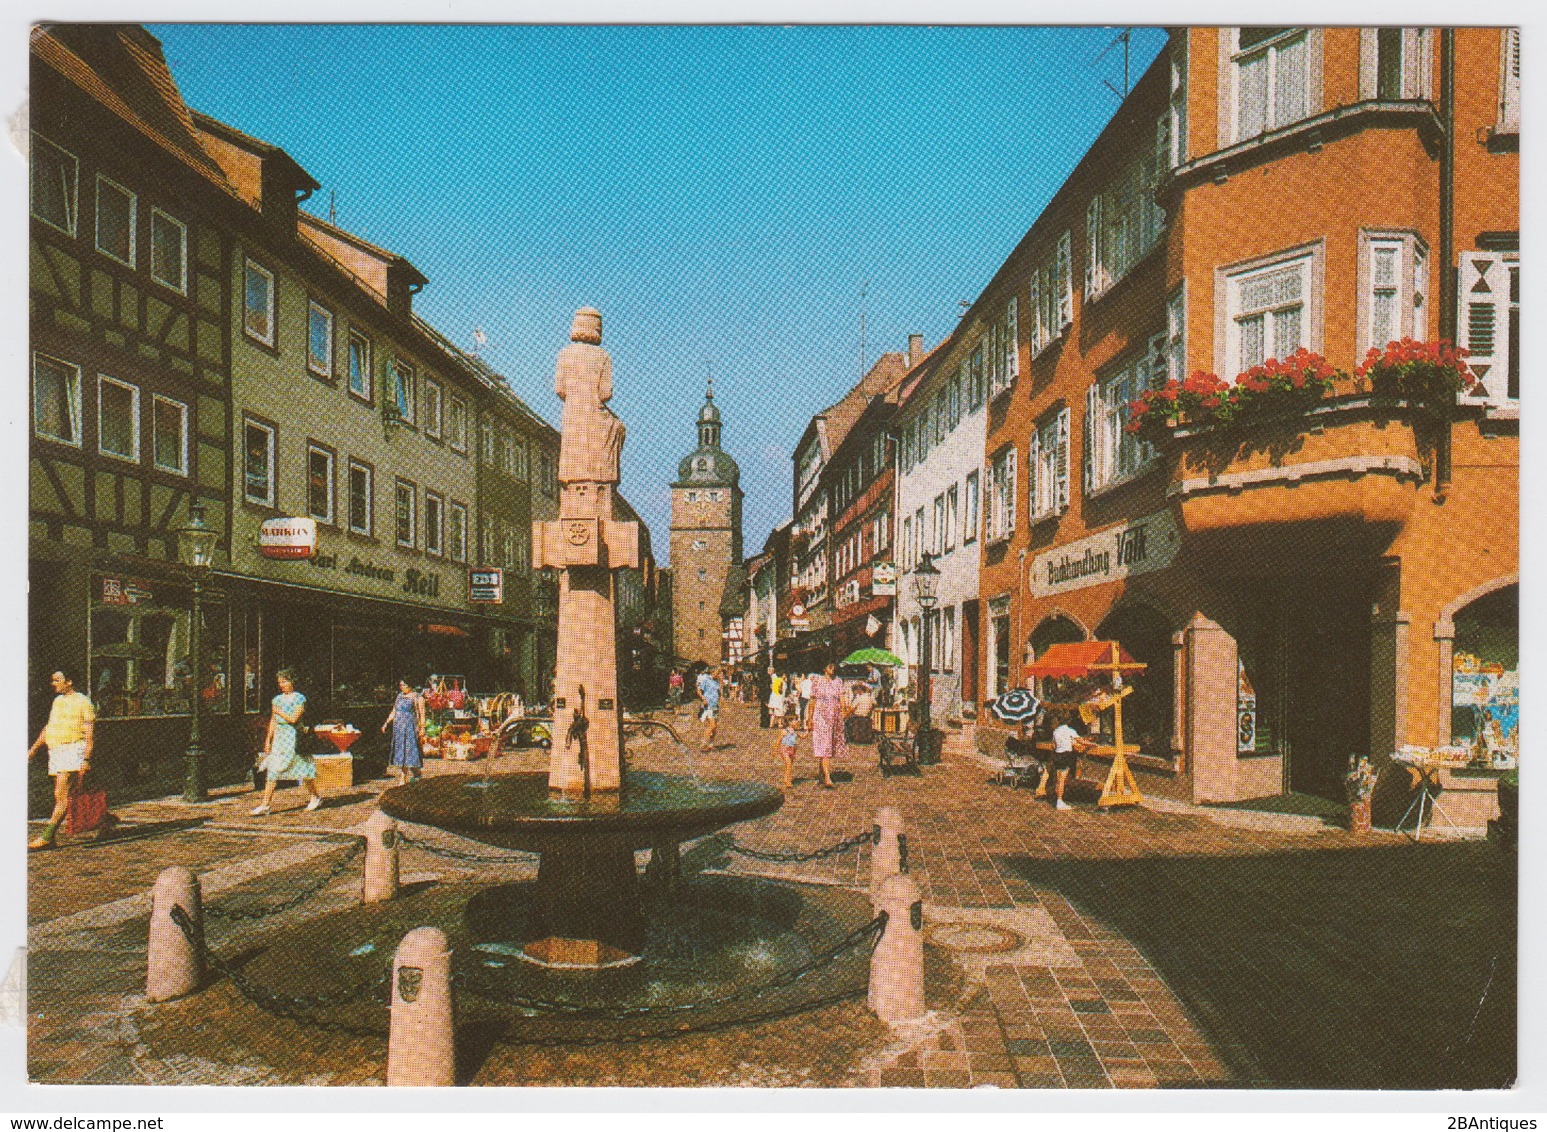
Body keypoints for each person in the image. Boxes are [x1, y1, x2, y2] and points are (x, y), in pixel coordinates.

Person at [26, 670, 98, 850]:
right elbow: (49, 727)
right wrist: (33, 749)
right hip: (56, 750)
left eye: (57, 680)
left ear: (70, 681)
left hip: (73, 749)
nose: (53, 683)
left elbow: (90, 734)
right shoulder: (57, 701)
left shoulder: (83, 702)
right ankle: (106, 820)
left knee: (63, 794)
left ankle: (47, 837)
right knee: (59, 795)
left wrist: (86, 758)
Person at [251, 668, 321, 816]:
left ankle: (315, 796)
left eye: (284, 681)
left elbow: (294, 718)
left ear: (292, 682)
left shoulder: (299, 698)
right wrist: (268, 740)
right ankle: (265, 804)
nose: (282, 685)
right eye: (280, 682)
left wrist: (279, 712)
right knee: (273, 769)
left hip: (294, 736)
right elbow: (273, 721)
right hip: (280, 737)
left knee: (302, 768)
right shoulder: (276, 700)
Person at [808, 662, 849, 789]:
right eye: (829, 666)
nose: (832, 668)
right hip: (821, 715)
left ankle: (822, 773)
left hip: (834, 716)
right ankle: (827, 777)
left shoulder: (838, 681)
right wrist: (809, 718)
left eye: (833, 666)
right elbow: (812, 700)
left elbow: (842, 697)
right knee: (824, 744)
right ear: (824, 668)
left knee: (829, 745)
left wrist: (844, 711)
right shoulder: (817, 680)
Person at [382, 677, 426, 785]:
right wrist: (386, 723)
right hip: (399, 728)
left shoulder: (417, 697)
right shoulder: (399, 696)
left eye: (404, 685)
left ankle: (403, 777)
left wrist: (422, 728)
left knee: (409, 751)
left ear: (410, 685)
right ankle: (415, 773)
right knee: (402, 751)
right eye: (400, 685)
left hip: (410, 727)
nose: (402, 687)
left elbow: (422, 714)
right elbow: (394, 711)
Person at [1048, 710, 1090, 811]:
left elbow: (1053, 745)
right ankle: (1060, 801)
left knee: (1058, 779)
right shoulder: (1070, 730)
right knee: (1062, 779)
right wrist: (1092, 744)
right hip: (1066, 755)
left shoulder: (1056, 731)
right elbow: (1081, 741)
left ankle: (1058, 799)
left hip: (1057, 755)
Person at [696, 666, 722, 752]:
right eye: (717, 672)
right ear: (712, 672)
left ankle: (711, 744)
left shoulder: (716, 681)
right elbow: (699, 690)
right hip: (708, 705)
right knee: (712, 725)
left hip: (715, 705)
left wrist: (720, 697)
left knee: (715, 727)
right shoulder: (706, 680)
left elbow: (718, 692)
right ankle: (703, 743)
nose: (718, 674)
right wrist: (703, 699)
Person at [775, 718, 800, 789]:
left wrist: (808, 730)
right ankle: (789, 781)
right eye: (795, 720)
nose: (797, 722)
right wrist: (775, 750)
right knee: (788, 764)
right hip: (784, 749)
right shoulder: (784, 731)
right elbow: (778, 741)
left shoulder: (795, 732)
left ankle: (785, 778)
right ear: (790, 722)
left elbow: (803, 736)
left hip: (792, 750)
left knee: (789, 765)